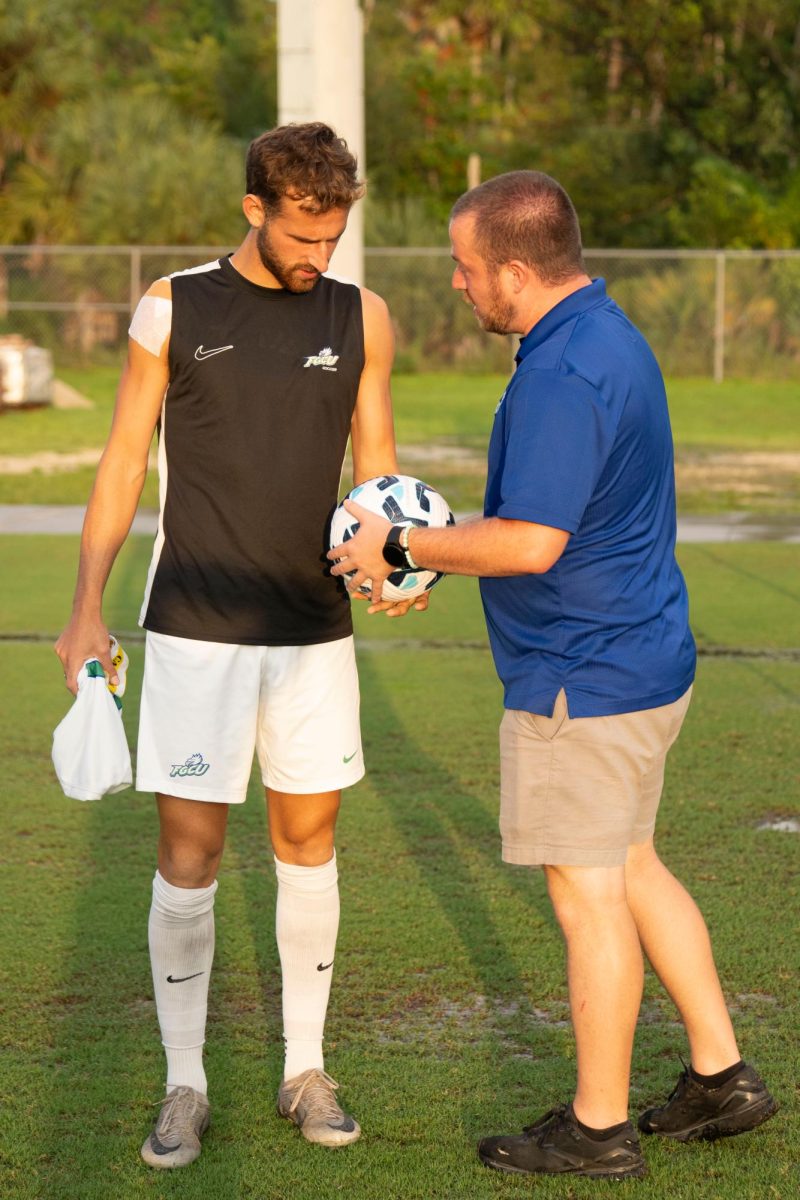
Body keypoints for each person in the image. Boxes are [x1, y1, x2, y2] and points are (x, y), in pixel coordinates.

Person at [329, 170, 777, 1180]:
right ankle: (718, 1075)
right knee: (628, 862)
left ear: (518, 271)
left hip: (583, 675)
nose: (455, 283)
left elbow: (531, 542)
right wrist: (437, 549)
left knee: (586, 894)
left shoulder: (562, 372)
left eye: (466, 266)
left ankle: (596, 1127)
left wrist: (400, 545)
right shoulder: (602, 331)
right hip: (641, 655)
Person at [55, 121, 418, 1169]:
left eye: (335, 232)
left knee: (308, 845)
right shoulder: (173, 306)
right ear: (254, 207)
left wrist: (393, 560)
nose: (320, 254)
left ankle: (305, 1068)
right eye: (304, 231)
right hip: (195, 628)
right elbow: (124, 461)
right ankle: (184, 1084)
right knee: (191, 854)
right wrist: (87, 606)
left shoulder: (363, 317)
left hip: (312, 630)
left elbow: (378, 474)